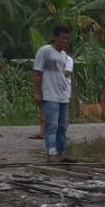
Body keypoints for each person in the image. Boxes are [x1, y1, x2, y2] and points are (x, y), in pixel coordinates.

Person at [33, 26, 73, 162]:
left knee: (62, 126)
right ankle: (51, 153)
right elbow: (37, 73)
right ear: (56, 38)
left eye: (67, 39)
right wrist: (37, 92)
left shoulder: (64, 56)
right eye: (63, 38)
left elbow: (64, 75)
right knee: (52, 126)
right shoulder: (45, 51)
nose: (65, 41)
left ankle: (61, 153)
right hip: (50, 95)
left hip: (63, 96)